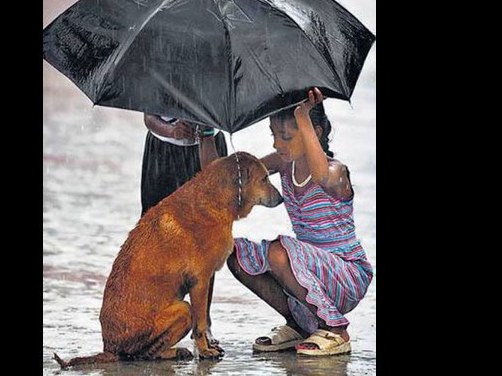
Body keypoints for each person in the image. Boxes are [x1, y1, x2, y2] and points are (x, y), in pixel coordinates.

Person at [226, 88, 373, 356]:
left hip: (346, 275)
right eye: (274, 135)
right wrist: (207, 135)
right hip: (305, 275)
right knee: (233, 253)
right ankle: (298, 324)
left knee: (279, 252)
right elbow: (236, 174)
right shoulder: (284, 164)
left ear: (313, 133)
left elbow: (320, 177)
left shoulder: (335, 171)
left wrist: (302, 114)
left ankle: (336, 329)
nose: (276, 145)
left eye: (286, 137)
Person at [140, 113, 229, 346]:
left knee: (208, 240)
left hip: (208, 146)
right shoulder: (159, 75)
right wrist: (171, 131)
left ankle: (203, 323)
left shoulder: (216, 76)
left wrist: (207, 129)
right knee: (158, 238)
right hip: (163, 150)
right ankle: (159, 318)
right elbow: (149, 117)